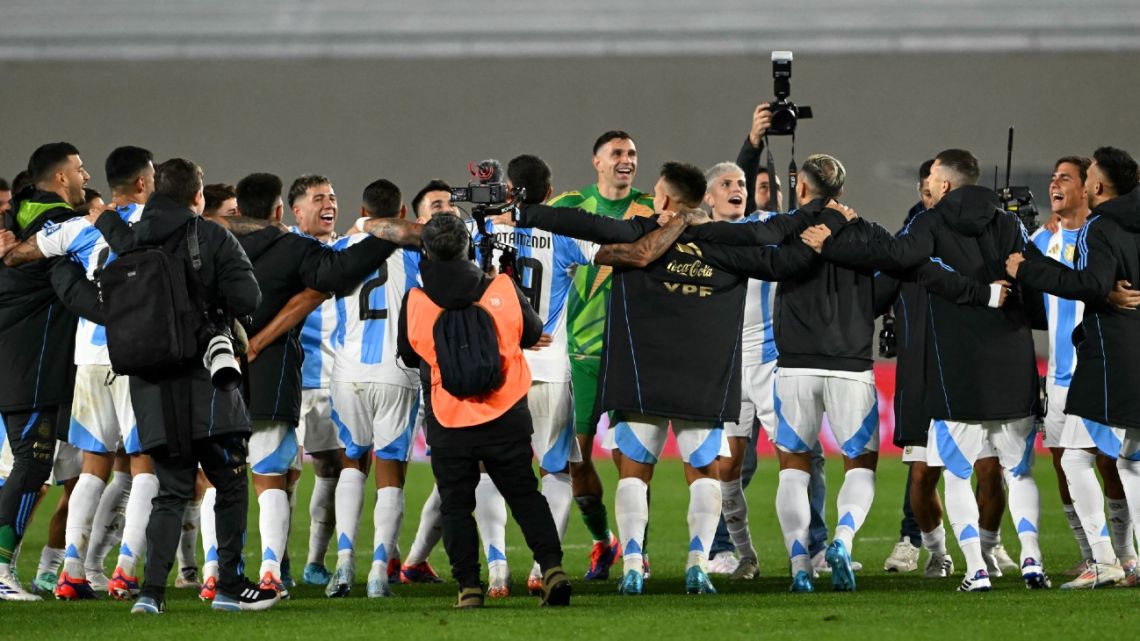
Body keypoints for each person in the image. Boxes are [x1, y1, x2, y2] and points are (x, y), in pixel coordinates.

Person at [3, 146, 161, 600]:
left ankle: (70, 569)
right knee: (137, 466)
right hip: (108, 355)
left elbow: (22, 255)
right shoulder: (134, 225)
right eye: (76, 169)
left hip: (81, 360)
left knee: (89, 469)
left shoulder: (63, 224)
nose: (83, 174)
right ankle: (123, 570)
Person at [397, 213, 571, 608]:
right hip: (506, 412)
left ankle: (469, 587)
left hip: (449, 418)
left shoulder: (417, 301)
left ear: (427, 251)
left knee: (456, 504)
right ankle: (551, 568)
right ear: (467, 246)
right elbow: (532, 331)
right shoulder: (502, 287)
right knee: (525, 495)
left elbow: (408, 354)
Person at [1008, 146, 1140, 588]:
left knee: (1085, 459)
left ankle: (1110, 558)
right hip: (1090, 365)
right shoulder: (1046, 238)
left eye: (1073, 177)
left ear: (1093, 185)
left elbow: (1090, 283)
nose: (1061, 184)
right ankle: (1114, 559)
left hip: (1105, 360)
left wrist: (1033, 269)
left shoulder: (1099, 229)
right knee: (1123, 462)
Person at [546, 130, 656, 580]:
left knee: (631, 461)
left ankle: (638, 551)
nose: (626, 160)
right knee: (577, 461)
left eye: (632, 152)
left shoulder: (652, 207)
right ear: (597, 162)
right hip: (579, 355)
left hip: (631, 353)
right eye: (617, 153)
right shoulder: (569, 207)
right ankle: (601, 541)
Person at [324, 178, 422, 599]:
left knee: (351, 463)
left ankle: (343, 564)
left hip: (347, 374)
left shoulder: (338, 250)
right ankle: (380, 569)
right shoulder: (414, 253)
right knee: (390, 472)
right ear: (401, 214)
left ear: (361, 211)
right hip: (396, 372)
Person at [0, 142, 89, 601]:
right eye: (78, 169)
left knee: (28, 466)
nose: (85, 176)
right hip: (31, 361)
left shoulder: (17, 212)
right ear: (59, 178)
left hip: (19, 356)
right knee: (31, 463)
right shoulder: (56, 223)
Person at [877, 159, 955, 578]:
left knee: (985, 465)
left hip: (967, 362)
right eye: (923, 190)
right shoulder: (911, 233)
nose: (927, 197)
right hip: (922, 365)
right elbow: (885, 283)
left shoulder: (979, 233)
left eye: (932, 188)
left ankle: (989, 545)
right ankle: (916, 540)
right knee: (922, 467)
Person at [287, 174, 347, 588]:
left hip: (334, 380)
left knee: (332, 468)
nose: (328, 204)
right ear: (297, 210)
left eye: (332, 197)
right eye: (318, 198)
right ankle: (279, 562)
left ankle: (314, 561)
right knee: (284, 474)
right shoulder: (284, 248)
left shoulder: (346, 250)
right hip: (290, 381)